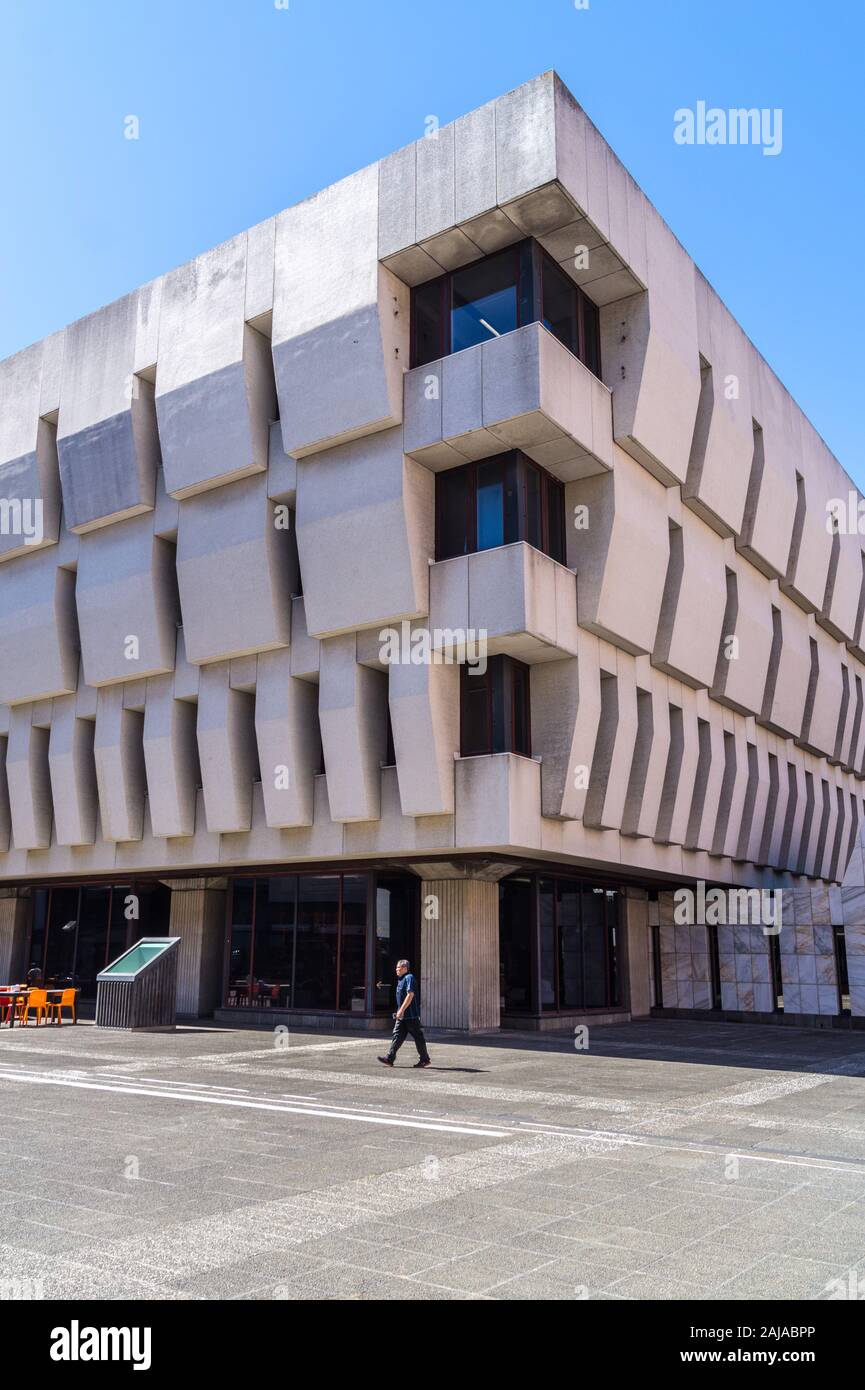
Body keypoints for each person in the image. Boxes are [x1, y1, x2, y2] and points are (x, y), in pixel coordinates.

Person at [378, 960, 431, 1069]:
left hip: (411, 1016)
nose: (396, 969)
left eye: (398, 968)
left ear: (405, 968)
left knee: (418, 1037)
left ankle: (424, 1059)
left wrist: (401, 1010)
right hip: (402, 1016)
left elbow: (410, 994)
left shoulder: (409, 978)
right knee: (397, 1036)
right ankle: (390, 1058)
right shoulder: (400, 980)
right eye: (396, 968)